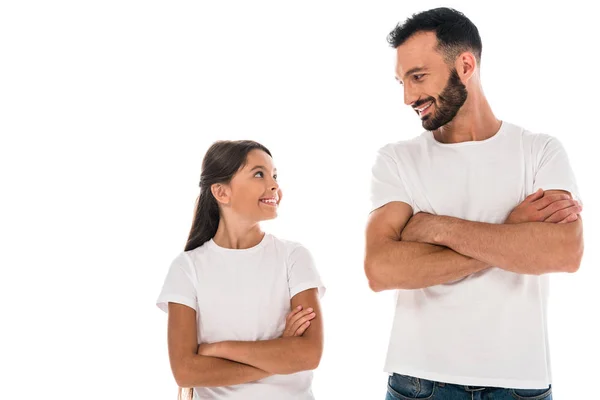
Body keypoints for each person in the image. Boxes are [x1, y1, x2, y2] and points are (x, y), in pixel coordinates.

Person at [364, 8, 583, 400]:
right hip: (419, 381)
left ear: (465, 65)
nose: (408, 96)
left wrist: (433, 227)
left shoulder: (539, 151)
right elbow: (380, 269)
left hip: (519, 383)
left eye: (417, 76)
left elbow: (564, 252)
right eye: (401, 82)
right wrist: (513, 234)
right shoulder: (396, 160)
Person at [156, 140, 325, 400]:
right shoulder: (187, 268)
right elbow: (186, 371)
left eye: (275, 175)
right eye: (259, 174)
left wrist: (215, 350)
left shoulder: (294, 257)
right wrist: (279, 353)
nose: (274, 185)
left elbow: (308, 354)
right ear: (222, 192)